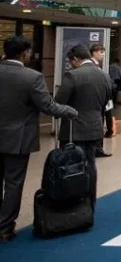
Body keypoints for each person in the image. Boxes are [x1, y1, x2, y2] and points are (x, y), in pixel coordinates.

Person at [0, 36, 77, 241]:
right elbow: (47, 106)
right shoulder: (32, 77)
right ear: (24, 53)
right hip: (18, 139)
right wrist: (70, 111)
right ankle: (4, 227)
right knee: (13, 183)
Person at [55, 44, 113, 210]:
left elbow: (59, 102)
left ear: (75, 59)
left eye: (71, 61)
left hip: (73, 129)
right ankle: (90, 203)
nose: (71, 65)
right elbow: (106, 101)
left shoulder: (72, 76)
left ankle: (73, 205)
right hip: (95, 127)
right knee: (90, 165)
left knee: (72, 167)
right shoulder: (104, 75)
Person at [89, 43, 113, 157]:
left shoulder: (98, 66)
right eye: (101, 52)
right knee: (97, 124)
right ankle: (96, 149)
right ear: (94, 52)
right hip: (96, 100)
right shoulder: (91, 66)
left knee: (101, 122)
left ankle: (98, 148)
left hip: (103, 99)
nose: (103, 54)